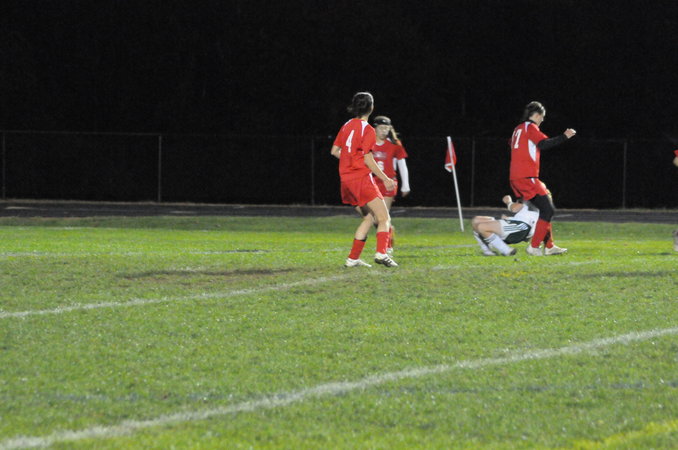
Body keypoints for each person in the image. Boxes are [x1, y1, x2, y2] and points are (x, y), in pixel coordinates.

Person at [330, 92, 398, 267]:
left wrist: (350, 161)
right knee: (384, 218)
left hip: (346, 180)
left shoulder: (346, 125)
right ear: (371, 108)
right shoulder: (367, 129)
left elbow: (334, 151)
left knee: (369, 218)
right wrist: (385, 179)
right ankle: (382, 254)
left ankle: (352, 259)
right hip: (360, 179)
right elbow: (368, 159)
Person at [509, 101, 576, 256]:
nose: (543, 120)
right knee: (548, 210)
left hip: (516, 177)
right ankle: (534, 247)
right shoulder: (530, 127)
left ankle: (549, 245)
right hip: (526, 176)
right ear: (537, 115)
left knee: (545, 204)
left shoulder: (518, 129)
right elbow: (544, 144)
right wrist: (564, 136)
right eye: (542, 117)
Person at [368, 115, 410, 254]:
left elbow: (402, 165)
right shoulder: (368, 143)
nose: (384, 131)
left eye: (386, 128)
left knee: (383, 216)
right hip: (372, 182)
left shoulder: (394, 144)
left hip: (388, 183)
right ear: (375, 129)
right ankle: (389, 231)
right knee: (375, 219)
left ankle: (387, 246)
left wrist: (405, 185)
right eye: (381, 128)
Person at [471, 195, 539, 256]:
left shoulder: (534, 202)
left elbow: (514, 208)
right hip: (515, 224)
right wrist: (508, 218)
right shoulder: (530, 204)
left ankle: (506, 250)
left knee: (482, 227)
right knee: (476, 221)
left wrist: (508, 201)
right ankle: (487, 252)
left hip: (520, 227)